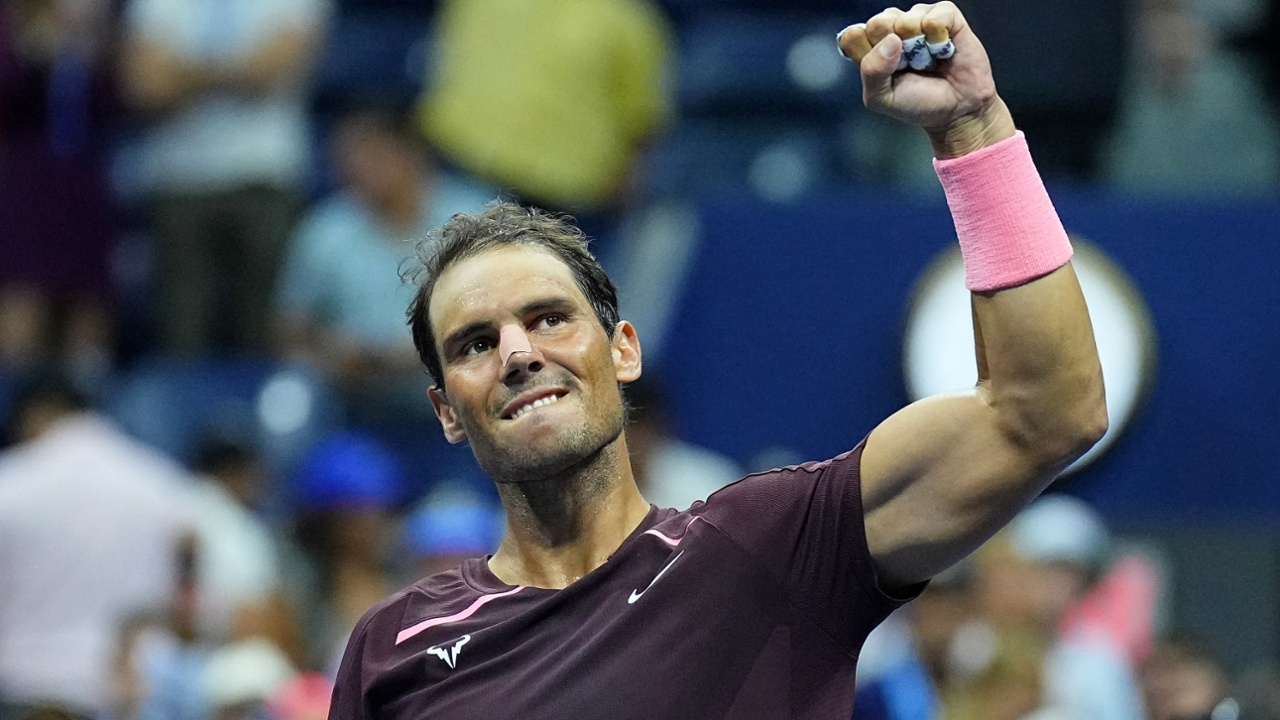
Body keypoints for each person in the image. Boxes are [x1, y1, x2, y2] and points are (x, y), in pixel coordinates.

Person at [329, 3, 1108, 717]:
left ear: (623, 350)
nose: (520, 353)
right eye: (475, 343)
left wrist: (974, 129)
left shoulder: (769, 547)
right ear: (445, 411)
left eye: (548, 318)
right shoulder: (392, 649)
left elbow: (1045, 414)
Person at [119, 0, 330, 355]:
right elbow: (147, 86)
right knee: (182, 335)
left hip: (265, 177)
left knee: (265, 334)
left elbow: (270, 71)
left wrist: (186, 73)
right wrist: (237, 69)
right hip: (179, 180)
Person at [273, 102, 491, 425]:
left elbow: (503, 310)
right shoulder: (326, 228)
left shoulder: (473, 215)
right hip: (354, 394)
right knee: (289, 394)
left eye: (373, 155)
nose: (358, 169)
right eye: (349, 160)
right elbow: (290, 331)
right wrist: (331, 356)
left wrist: (431, 349)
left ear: (410, 154)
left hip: (458, 377)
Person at [0, 375, 194, 718]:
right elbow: (190, 594)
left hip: (26, 693)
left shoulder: (12, 485)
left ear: (35, 417)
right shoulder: (164, 486)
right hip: (133, 695)